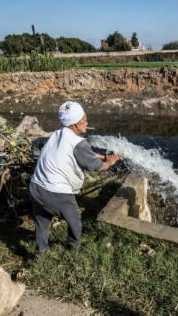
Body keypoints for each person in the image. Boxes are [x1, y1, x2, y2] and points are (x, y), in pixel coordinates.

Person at [29, 101, 122, 254]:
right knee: (75, 222)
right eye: (84, 120)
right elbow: (98, 167)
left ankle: (41, 252)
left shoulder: (57, 134)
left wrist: (101, 155)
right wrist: (110, 162)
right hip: (56, 193)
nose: (87, 122)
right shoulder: (78, 142)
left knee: (42, 222)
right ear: (75, 124)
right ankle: (74, 249)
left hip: (36, 187)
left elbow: (81, 152)